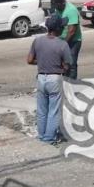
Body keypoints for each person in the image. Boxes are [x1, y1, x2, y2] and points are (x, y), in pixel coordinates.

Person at [27, 15, 72, 143]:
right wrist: (60, 66)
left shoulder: (37, 41)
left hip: (41, 78)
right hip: (54, 78)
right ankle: (49, 139)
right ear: (58, 29)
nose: (64, 28)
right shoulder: (62, 44)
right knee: (54, 111)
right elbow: (67, 65)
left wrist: (42, 61)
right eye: (62, 26)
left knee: (42, 111)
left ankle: (41, 136)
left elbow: (29, 60)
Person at [50, 0, 82, 80]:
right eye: (54, 6)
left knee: (71, 63)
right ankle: (64, 82)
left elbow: (72, 31)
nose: (55, 8)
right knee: (62, 63)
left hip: (73, 41)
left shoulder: (71, 10)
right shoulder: (57, 9)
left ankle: (72, 85)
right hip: (62, 39)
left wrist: (62, 44)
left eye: (56, 5)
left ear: (61, 2)